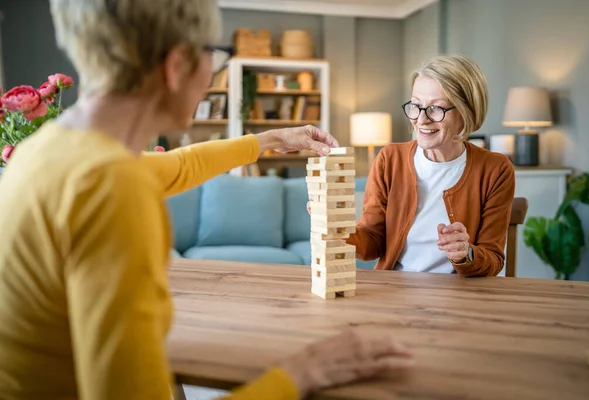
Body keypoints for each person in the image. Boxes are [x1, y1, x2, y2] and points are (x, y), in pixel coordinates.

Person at [0, 1, 414, 399]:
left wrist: (271, 139)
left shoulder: (51, 152)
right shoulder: (111, 189)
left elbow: (180, 167)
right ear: (177, 65)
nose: (212, 72)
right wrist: (299, 375)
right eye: (213, 55)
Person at [310, 55, 515, 277]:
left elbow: (493, 260)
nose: (421, 120)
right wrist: (337, 229)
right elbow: (373, 241)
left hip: (458, 297)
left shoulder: (496, 169)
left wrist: (466, 254)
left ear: (466, 113)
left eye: (436, 108)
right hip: (395, 292)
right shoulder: (390, 159)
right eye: (416, 106)